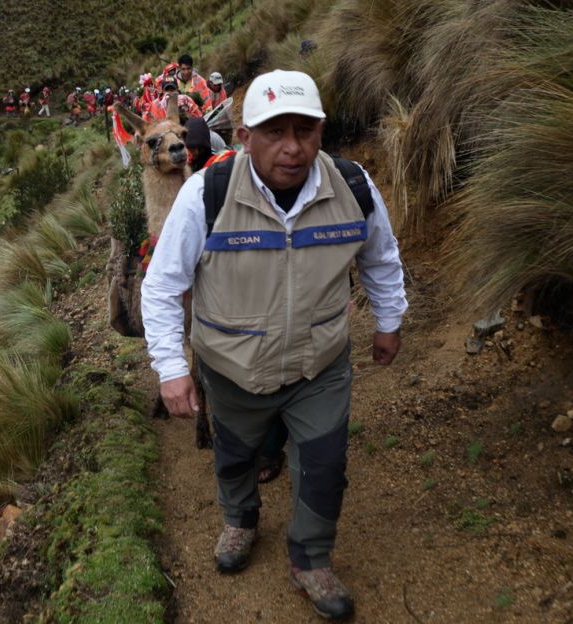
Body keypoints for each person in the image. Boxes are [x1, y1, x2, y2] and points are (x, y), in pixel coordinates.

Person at [140, 70, 407, 621]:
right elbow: (163, 285)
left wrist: (389, 320)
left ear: (321, 131)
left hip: (320, 364)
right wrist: (171, 367)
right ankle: (240, 520)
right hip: (234, 369)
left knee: (326, 464)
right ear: (244, 136)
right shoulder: (206, 194)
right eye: (274, 132)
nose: (292, 147)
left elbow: (380, 257)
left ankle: (311, 557)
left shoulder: (352, 187)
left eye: (305, 131)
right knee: (235, 456)